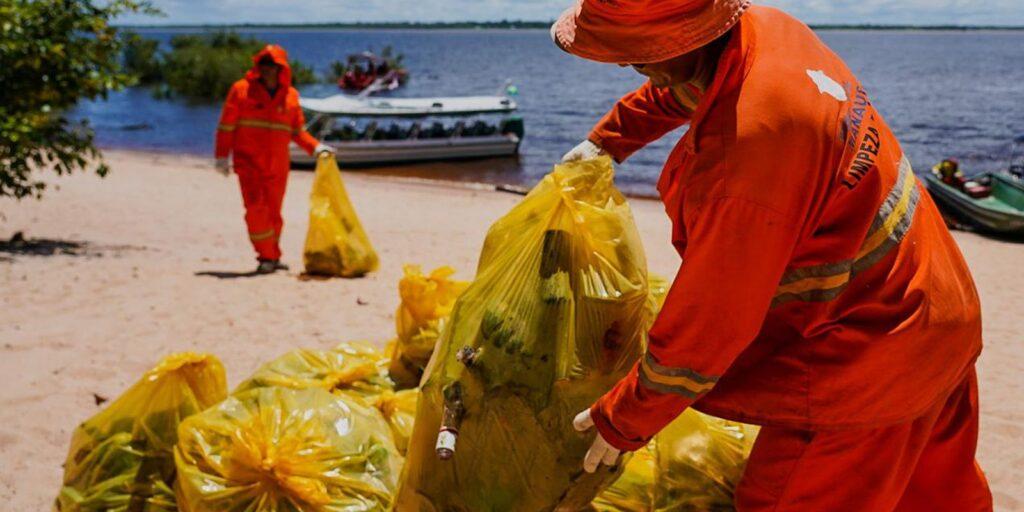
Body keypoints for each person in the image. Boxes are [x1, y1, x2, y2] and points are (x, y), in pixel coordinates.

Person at [553, 1, 993, 509]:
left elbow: (711, 323)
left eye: (637, 54)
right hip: (938, 310)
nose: (630, 66)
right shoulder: (765, 31)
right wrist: (610, 137)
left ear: (691, 39)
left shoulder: (745, 159)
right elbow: (687, 85)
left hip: (867, 360)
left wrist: (625, 418)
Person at [215, 45, 333, 274]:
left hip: (278, 166)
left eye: (274, 66)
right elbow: (226, 126)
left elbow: (297, 132)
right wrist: (221, 156)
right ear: (258, 67)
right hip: (248, 163)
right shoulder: (241, 90)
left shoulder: (290, 96)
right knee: (256, 210)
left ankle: (273, 256)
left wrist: (316, 148)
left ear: (282, 68)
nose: (268, 70)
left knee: (274, 214)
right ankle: (266, 257)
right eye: (264, 65)